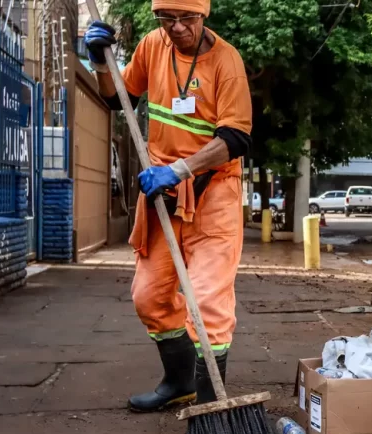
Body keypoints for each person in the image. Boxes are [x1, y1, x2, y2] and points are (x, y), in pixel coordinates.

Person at [84, 0, 252, 412]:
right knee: (149, 297)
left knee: (208, 302)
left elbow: (235, 138)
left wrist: (179, 169)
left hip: (214, 194)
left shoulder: (226, 62)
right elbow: (116, 99)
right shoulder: (151, 46)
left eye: (186, 19)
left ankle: (211, 410)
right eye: (166, 19)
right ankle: (179, 382)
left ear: (203, 15)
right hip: (165, 198)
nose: (176, 28)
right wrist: (101, 64)